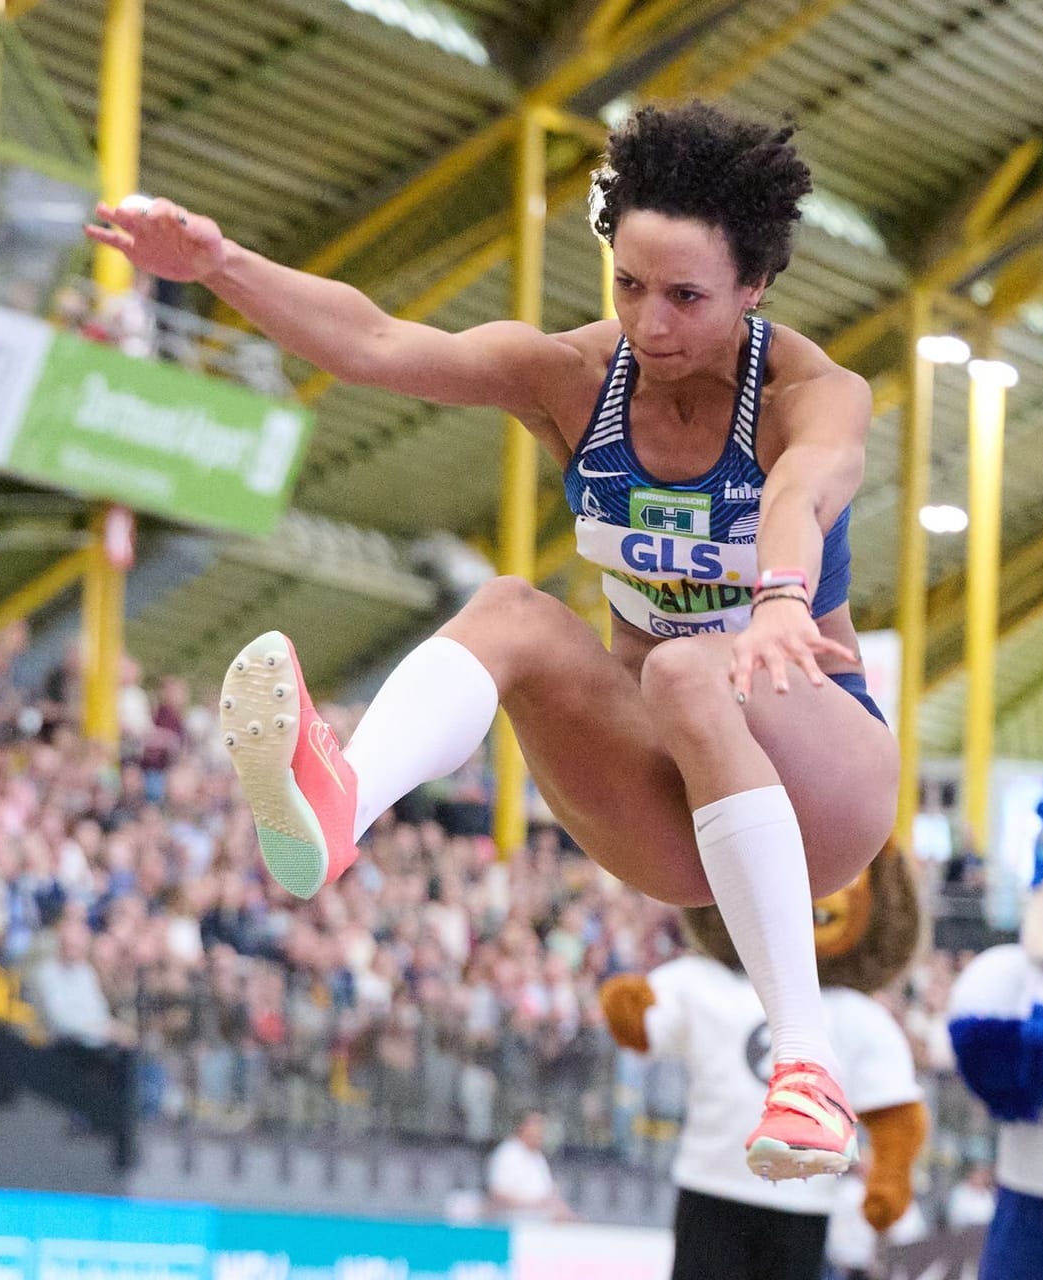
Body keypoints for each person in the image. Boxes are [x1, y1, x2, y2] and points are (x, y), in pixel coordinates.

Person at [88, 102, 896, 1178]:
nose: (650, 324)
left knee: (693, 663)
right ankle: (339, 805)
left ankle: (808, 1068)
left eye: (687, 297)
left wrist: (785, 595)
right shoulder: (577, 378)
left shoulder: (809, 391)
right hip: (669, 795)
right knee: (514, 607)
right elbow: (380, 343)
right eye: (629, 285)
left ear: (755, 288)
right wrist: (223, 264)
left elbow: (806, 484)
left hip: (822, 778)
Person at [484, 1111, 574, 1222]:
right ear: (522, 1127)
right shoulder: (507, 1154)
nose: (541, 1131)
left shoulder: (538, 1157)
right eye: (537, 1125)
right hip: (515, 1224)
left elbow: (549, 1195)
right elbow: (498, 1196)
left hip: (542, 1224)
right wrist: (535, 1204)